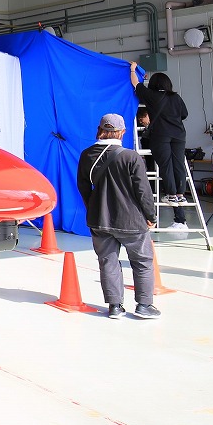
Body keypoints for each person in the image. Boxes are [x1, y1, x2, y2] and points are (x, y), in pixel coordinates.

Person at [76, 112, 160, 320]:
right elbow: (143, 192)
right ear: (122, 132)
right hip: (131, 220)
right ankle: (144, 305)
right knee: (142, 261)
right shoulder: (131, 157)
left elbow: (83, 186)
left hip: (100, 220)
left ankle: (114, 306)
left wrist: (94, 207)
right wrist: (151, 215)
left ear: (100, 130)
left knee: (108, 261)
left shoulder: (87, 155)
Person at [130, 63, 189, 204]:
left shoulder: (152, 96)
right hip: (179, 135)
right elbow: (184, 114)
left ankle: (171, 195)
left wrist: (133, 69)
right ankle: (181, 195)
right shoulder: (176, 98)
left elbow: (135, 83)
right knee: (179, 164)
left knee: (166, 164)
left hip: (161, 135)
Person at [137, 108, 190, 231]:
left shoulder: (159, 130)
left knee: (172, 192)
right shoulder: (151, 130)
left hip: (163, 166)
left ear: (149, 116)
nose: (141, 122)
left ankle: (180, 220)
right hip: (154, 167)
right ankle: (153, 219)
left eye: (142, 118)